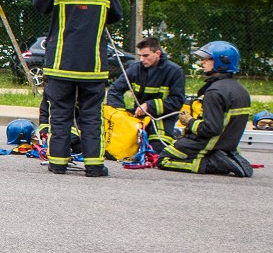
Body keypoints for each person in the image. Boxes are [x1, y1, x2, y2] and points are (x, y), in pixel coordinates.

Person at [33, 0, 124, 176]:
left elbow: (39, 5)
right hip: (93, 65)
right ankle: (94, 166)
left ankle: (58, 163)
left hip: (61, 64)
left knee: (61, 114)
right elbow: (117, 14)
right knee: (92, 115)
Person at [158, 41, 254, 176]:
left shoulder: (215, 91)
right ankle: (225, 156)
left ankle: (215, 163)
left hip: (209, 145)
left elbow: (211, 128)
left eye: (207, 59)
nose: (202, 62)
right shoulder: (240, 89)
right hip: (227, 144)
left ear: (222, 61)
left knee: (164, 158)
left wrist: (189, 121)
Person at [105, 36, 185, 150]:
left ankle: (174, 134)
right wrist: (121, 114)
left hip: (162, 119)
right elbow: (114, 89)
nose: (142, 59)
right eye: (140, 56)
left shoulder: (174, 71)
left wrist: (149, 106)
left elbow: (177, 101)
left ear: (157, 53)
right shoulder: (135, 68)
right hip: (138, 117)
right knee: (119, 146)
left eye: (146, 55)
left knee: (157, 149)